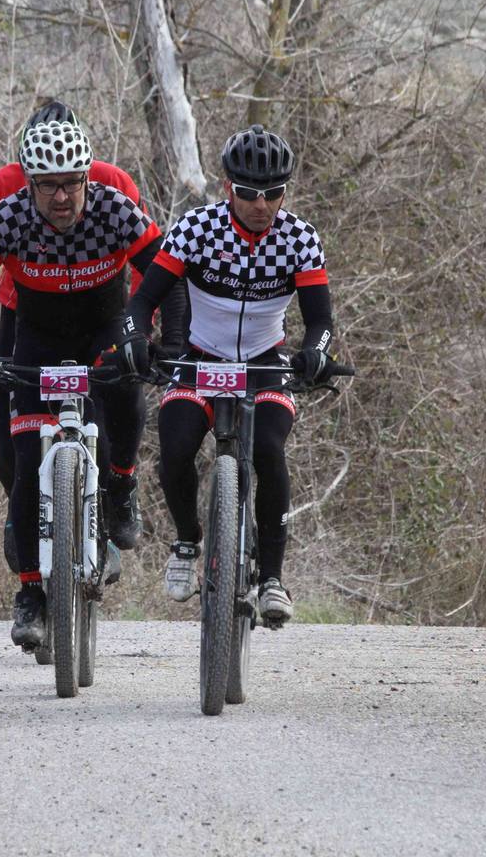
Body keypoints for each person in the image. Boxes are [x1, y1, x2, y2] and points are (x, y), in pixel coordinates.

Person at [0, 118, 162, 648]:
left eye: (71, 183)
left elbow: (163, 276)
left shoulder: (114, 207)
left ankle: (122, 487)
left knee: (124, 401)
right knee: (23, 464)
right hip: (35, 340)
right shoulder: (10, 214)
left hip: (102, 331)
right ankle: (31, 593)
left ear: (88, 176)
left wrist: (161, 340)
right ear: (29, 182)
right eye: (47, 185)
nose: (61, 197)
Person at [122, 124, 338, 627]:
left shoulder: (300, 239)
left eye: (273, 194)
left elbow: (321, 321)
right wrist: (134, 338)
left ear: (286, 191)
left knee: (267, 449)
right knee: (174, 447)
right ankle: (186, 540)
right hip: (201, 359)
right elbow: (142, 301)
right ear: (227, 187)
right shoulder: (197, 229)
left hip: (265, 363)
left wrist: (316, 352)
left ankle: (272, 579)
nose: (261, 205)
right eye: (247, 193)